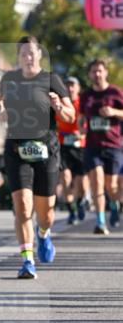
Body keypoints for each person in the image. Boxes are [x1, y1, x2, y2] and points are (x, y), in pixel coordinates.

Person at [0, 35, 74, 278]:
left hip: (46, 150)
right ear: (18, 57)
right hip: (17, 150)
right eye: (23, 53)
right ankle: (27, 260)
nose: (28, 57)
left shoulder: (51, 80)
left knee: (46, 212)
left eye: (32, 53)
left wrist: (59, 106)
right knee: (22, 206)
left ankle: (44, 234)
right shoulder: (10, 79)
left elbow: (72, 116)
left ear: (39, 55)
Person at [80, 58, 123, 235]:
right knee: (96, 182)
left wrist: (113, 112)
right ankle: (100, 222)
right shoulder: (86, 95)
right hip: (92, 144)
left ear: (105, 72)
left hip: (113, 144)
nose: (97, 74)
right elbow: (81, 118)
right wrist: (80, 128)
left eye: (100, 71)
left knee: (111, 186)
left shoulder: (115, 92)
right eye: (93, 71)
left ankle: (114, 203)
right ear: (90, 74)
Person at [56, 76, 88, 225]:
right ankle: (71, 211)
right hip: (63, 145)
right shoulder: (59, 102)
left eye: (72, 85)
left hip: (80, 145)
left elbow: (88, 122)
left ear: (78, 88)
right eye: (67, 85)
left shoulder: (83, 102)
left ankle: (81, 200)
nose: (70, 88)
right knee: (66, 179)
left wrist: (81, 133)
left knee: (81, 184)